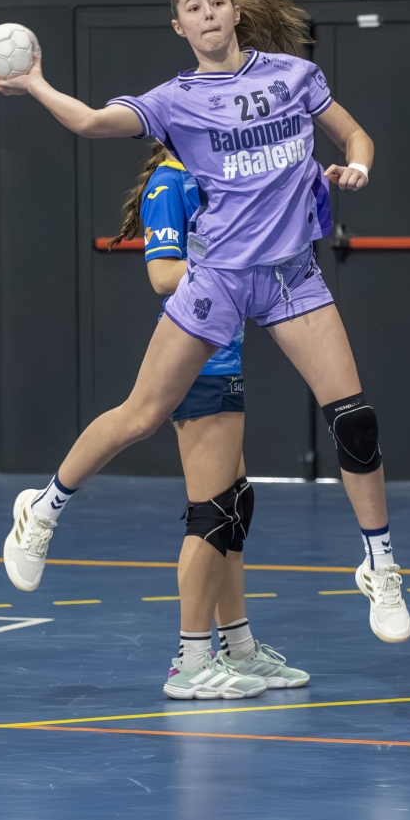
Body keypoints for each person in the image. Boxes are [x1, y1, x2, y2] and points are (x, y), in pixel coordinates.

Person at [0, 0, 410, 643]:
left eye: (217, 2)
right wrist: (36, 83)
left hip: (290, 275)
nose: (208, 13)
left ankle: (382, 565)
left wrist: (358, 166)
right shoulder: (173, 100)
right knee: (142, 415)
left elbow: (354, 133)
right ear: (179, 27)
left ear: (236, 13)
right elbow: (92, 123)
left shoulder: (293, 76)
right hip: (217, 279)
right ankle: (43, 507)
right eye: (194, 7)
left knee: (355, 420)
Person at [112, 143, 310, 699]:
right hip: (195, 360)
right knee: (213, 514)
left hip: (224, 355)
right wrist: (231, 265)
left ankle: (238, 648)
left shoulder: (213, 181)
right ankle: (191, 660)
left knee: (234, 507)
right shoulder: (167, 184)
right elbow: (162, 275)